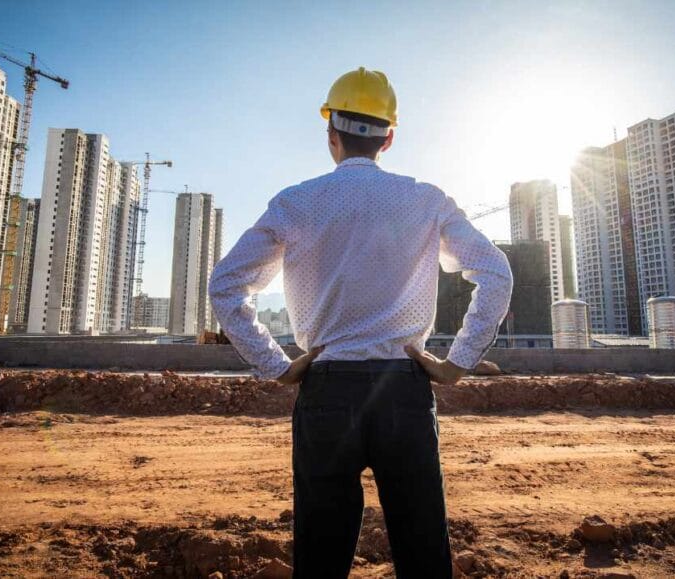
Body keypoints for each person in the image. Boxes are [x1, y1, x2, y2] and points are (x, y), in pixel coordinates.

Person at [208, 67, 513, 578]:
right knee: (423, 551)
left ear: (331, 133)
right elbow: (496, 273)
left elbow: (226, 284)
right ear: (388, 138)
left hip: (327, 390)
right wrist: (457, 363)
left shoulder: (295, 202)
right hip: (403, 390)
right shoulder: (427, 200)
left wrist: (276, 365)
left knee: (320, 558)